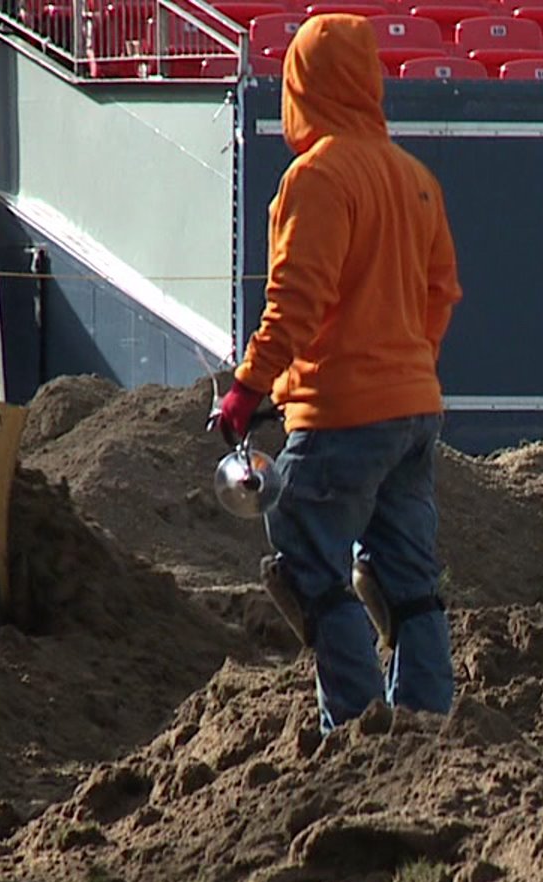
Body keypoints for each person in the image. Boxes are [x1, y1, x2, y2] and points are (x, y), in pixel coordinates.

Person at [211, 13, 463, 734]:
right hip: (415, 411)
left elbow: (296, 301)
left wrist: (246, 390)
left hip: (342, 411)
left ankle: (355, 728)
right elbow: (441, 293)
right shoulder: (415, 178)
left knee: (307, 555)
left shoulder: (316, 177)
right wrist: (405, 361)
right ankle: (426, 720)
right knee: (409, 582)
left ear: (300, 87)